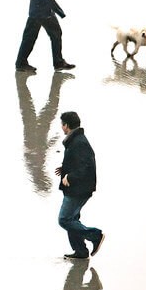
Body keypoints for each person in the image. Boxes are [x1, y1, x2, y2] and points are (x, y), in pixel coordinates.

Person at [54, 111, 104, 259]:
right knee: (72, 219)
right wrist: (64, 169)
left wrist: (70, 176)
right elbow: (78, 161)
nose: (61, 127)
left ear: (66, 125)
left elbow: (86, 166)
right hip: (77, 188)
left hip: (79, 189)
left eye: (62, 124)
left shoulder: (79, 142)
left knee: (65, 220)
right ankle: (81, 251)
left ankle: (95, 235)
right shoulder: (75, 139)